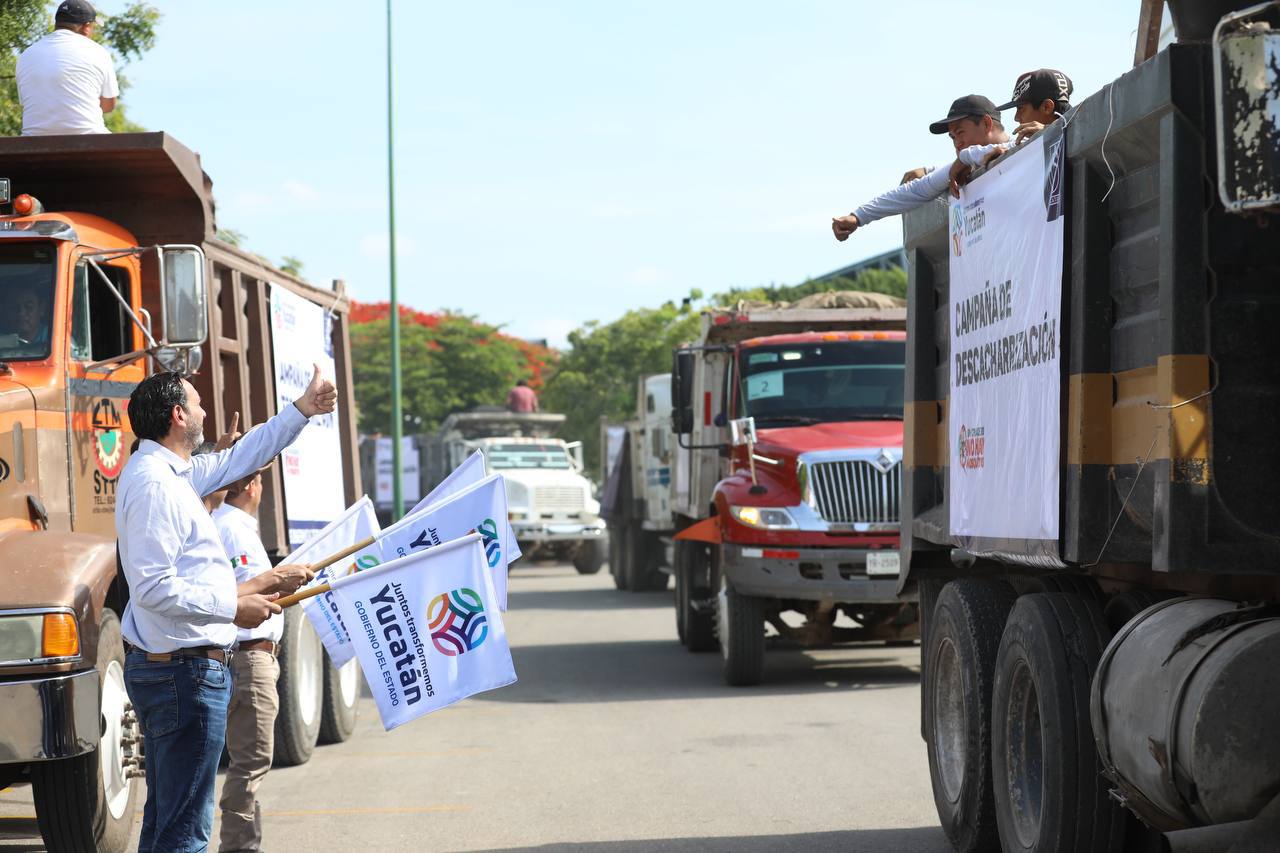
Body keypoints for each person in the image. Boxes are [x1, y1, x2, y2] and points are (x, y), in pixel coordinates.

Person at [116, 367, 334, 853]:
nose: (205, 412)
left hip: (180, 671)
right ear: (177, 416)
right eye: (196, 404)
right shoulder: (156, 483)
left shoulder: (172, 474)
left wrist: (301, 410)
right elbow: (153, 588)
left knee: (169, 823)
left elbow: (242, 456)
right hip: (183, 674)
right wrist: (233, 606)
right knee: (184, 832)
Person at [213, 462, 297, 853]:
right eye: (258, 477)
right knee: (252, 760)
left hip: (248, 657)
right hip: (250, 657)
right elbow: (242, 598)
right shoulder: (233, 528)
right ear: (251, 486)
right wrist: (276, 586)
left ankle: (242, 843)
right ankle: (239, 846)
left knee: (250, 759)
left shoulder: (231, 525)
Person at [832, 95, 1011, 241]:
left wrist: (964, 157)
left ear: (987, 124)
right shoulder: (964, 165)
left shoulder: (1029, 147)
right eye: (952, 137)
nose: (957, 144)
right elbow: (916, 189)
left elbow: (1007, 148)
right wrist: (858, 217)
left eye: (960, 132)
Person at [15, 0, 119, 137]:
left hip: (33, 140)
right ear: (86, 27)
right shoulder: (98, 51)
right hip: (89, 139)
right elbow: (108, 105)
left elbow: (32, 103)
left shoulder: (26, 55)